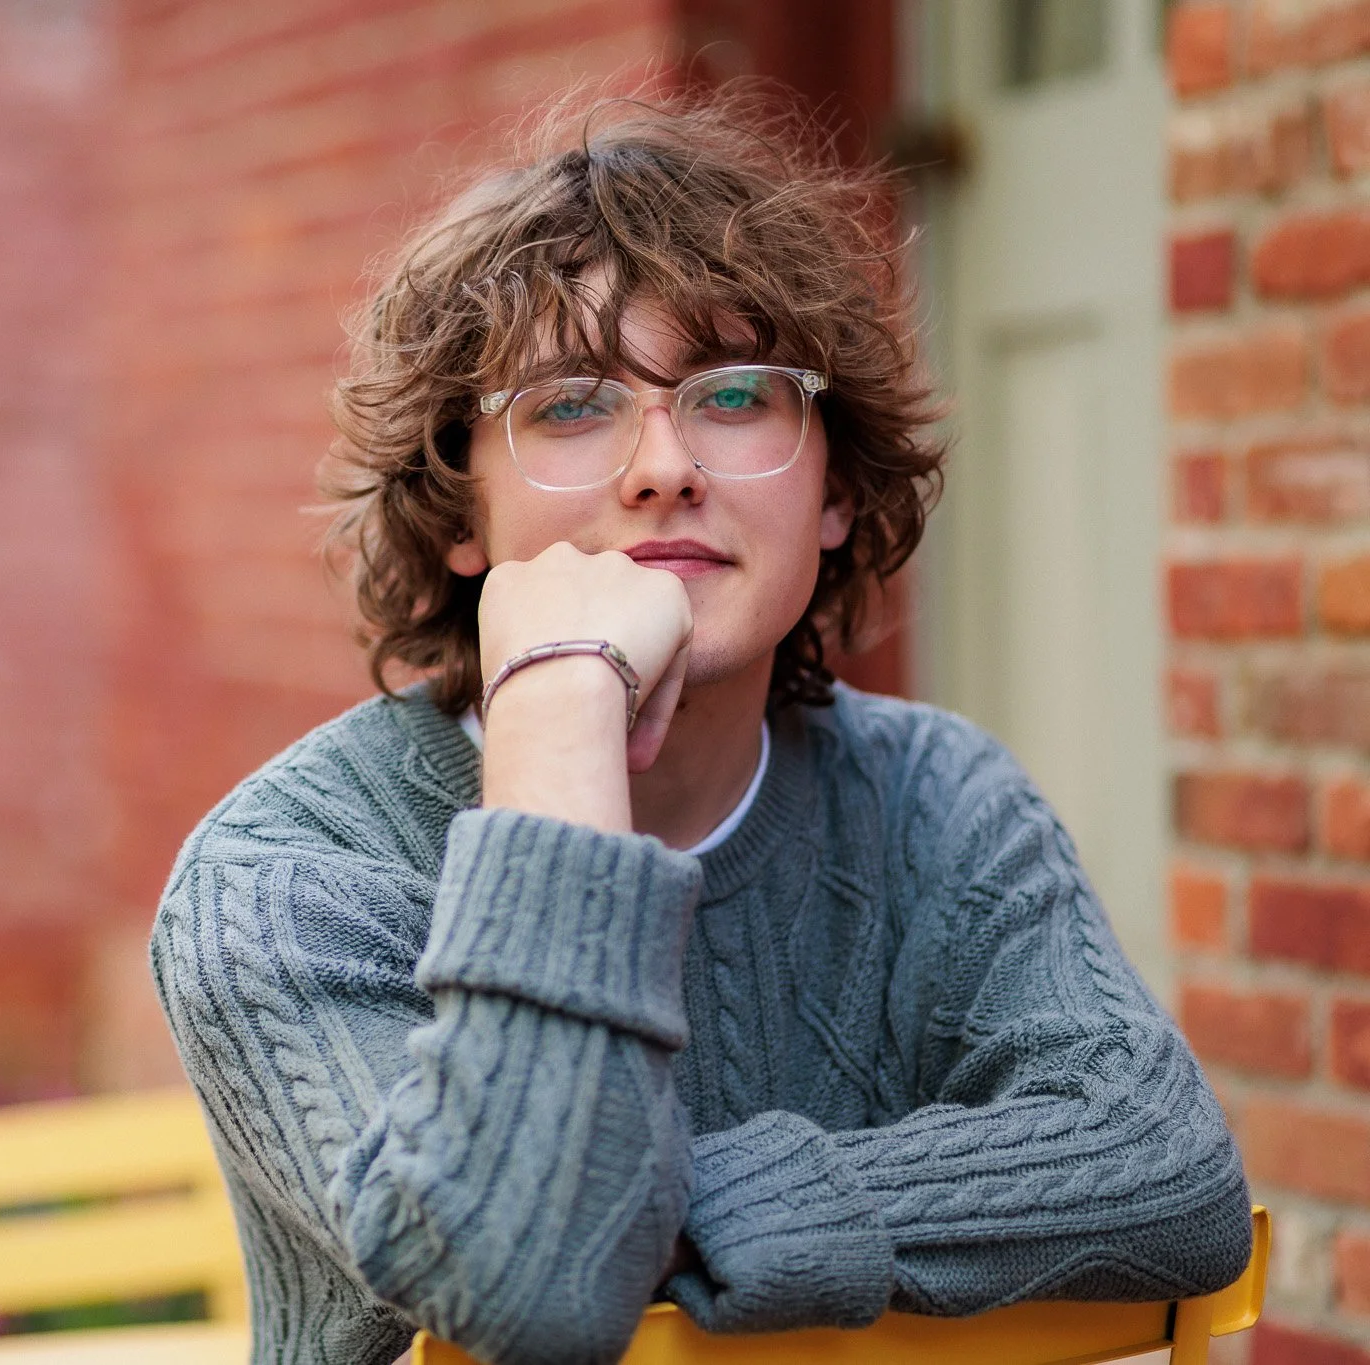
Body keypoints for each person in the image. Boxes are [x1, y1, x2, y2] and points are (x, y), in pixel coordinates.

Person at [149, 88, 1250, 1365]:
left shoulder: (933, 798)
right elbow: (528, 1280)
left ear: (833, 491)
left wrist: (683, 1207)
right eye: (570, 406)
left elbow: (1165, 1171)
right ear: (458, 513)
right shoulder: (287, 878)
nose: (662, 466)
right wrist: (557, 702)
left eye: (732, 397)